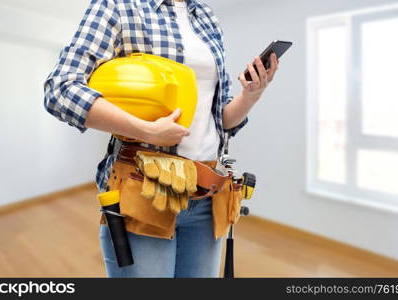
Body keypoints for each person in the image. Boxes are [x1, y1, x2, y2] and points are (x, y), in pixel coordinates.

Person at [44, 0, 278, 278]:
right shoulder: (118, 6)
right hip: (146, 191)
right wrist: (146, 131)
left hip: (206, 194)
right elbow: (60, 89)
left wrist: (252, 94)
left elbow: (221, 120)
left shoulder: (205, 16)